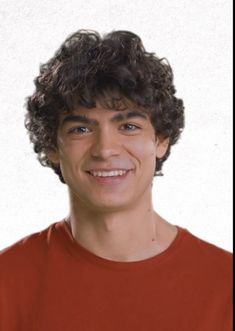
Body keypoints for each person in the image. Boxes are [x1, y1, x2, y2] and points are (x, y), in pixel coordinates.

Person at [0, 29, 232, 330]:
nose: (105, 149)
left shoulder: (225, 285)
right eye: (80, 130)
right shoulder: (8, 282)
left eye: (129, 126)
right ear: (53, 147)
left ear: (161, 139)